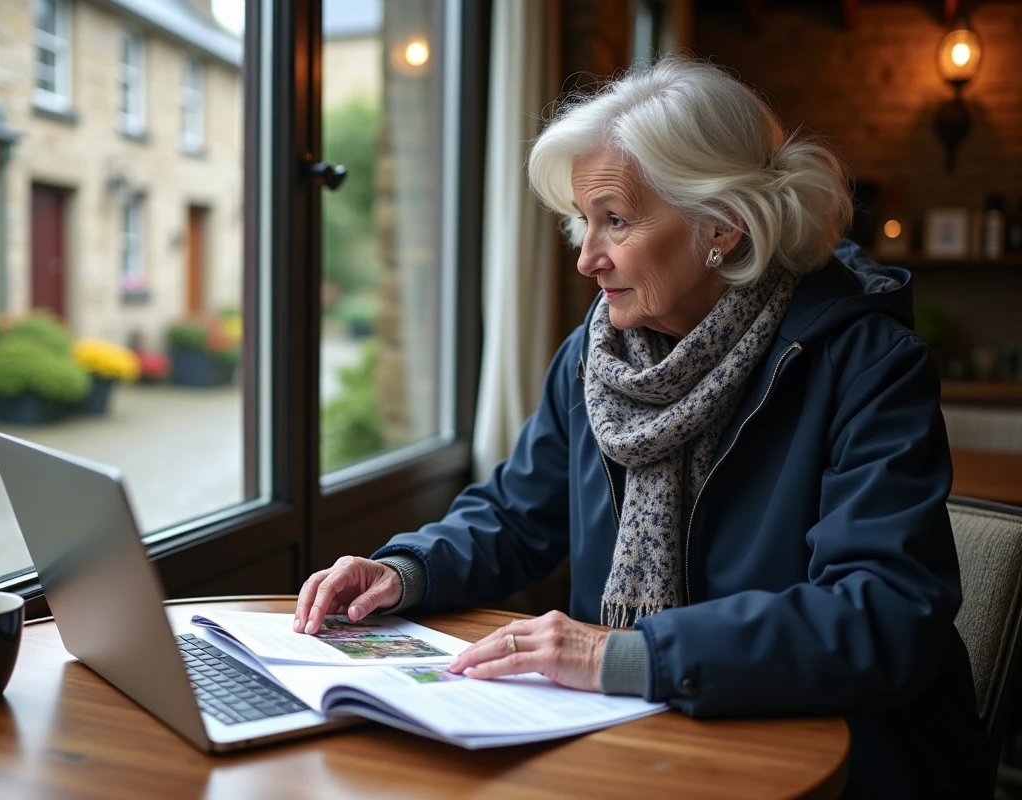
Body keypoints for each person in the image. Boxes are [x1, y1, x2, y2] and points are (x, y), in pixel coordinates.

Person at [294, 56, 985, 797]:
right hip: (642, 741)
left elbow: (883, 614)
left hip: (842, 764)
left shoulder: (869, 363)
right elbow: (513, 516)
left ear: (723, 223)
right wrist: (403, 570)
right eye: (584, 223)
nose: (589, 258)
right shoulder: (598, 355)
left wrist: (620, 655)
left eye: (615, 220)